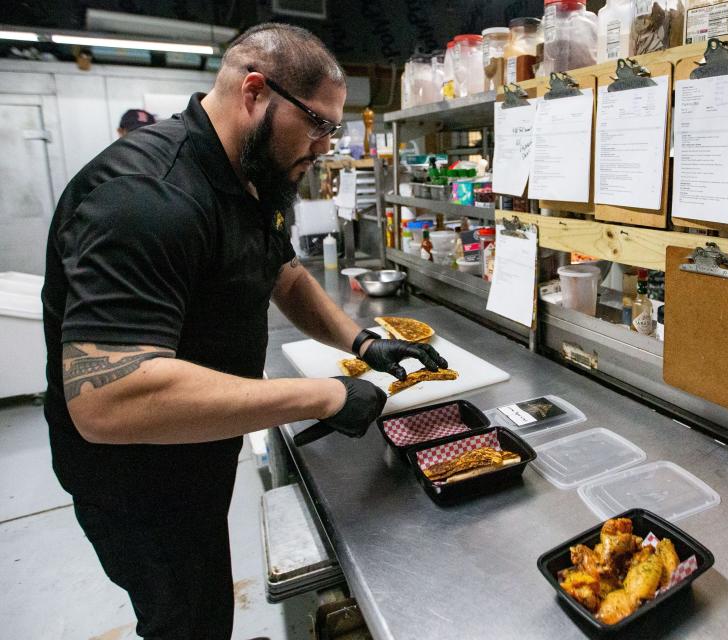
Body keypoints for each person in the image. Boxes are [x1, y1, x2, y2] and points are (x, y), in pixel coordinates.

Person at [41, 23, 446, 640]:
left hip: (198, 447)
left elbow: (280, 270)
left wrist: (362, 342)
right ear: (255, 91)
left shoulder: (249, 176)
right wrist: (325, 395)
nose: (325, 148)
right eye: (318, 125)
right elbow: (108, 399)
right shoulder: (146, 198)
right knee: (187, 619)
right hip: (139, 479)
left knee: (205, 602)